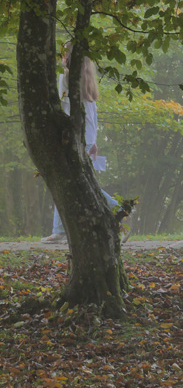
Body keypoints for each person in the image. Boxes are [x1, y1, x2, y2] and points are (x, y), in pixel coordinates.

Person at [41, 45, 118, 243]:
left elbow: (62, 108)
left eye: (64, 53)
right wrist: (94, 141)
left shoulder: (65, 77)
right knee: (72, 180)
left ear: (68, 56)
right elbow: (92, 114)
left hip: (73, 137)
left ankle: (117, 208)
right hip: (86, 138)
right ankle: (59, 230)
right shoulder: (88, 78)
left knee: (68, 180)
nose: (61, 57)